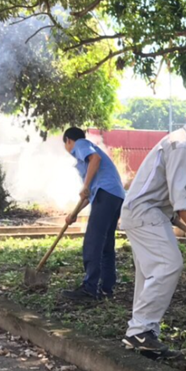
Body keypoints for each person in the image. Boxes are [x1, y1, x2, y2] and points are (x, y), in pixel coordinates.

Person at [120, 104, 186, 357]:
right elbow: (179, 193)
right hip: (144, 211)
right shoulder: (181, 145)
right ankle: (139, 331)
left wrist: (174, 215)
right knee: (170, 264)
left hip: (148, 211)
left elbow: (169, 190)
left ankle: (144, 334)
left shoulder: (182, 143)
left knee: (149, 274)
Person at [62, 127, 126, 302]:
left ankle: (89, 288)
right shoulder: (88, 160)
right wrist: (74, 214)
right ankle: (107, 287)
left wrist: (86, 185)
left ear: (68, 141)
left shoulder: (81, 145)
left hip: (106, 194)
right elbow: (88, 194)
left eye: (66, 145)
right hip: (116, 195)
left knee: (93, 240)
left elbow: (94, 161)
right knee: (106, 243)